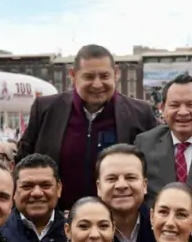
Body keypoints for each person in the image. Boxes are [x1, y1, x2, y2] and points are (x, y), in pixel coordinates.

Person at [18, 44, 159, 210]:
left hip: (118, 222)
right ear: (73, 74)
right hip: (57, 221)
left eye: (105, 76)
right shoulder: (45, 110)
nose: (97, 84)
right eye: (89, 77)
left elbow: (154, 171)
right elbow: (23, 163)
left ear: (116, 73)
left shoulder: (141, 113)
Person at [135, 74, 192, 212]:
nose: (183, 112)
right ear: (163, 108)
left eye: (191, 104)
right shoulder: (144, 143)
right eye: (174, 105)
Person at [0, 154, 67, 242]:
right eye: (27, 186)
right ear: (13, 191)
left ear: (59, 188)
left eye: (45, 185)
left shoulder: (74, 234)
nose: (37, 193)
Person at [96, 144, 159, 242]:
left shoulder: (163, 226)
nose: (121, 185)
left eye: (130, 177)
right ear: (99, 187)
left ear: (144, 185)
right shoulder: (83, 234)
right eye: (112, 178)